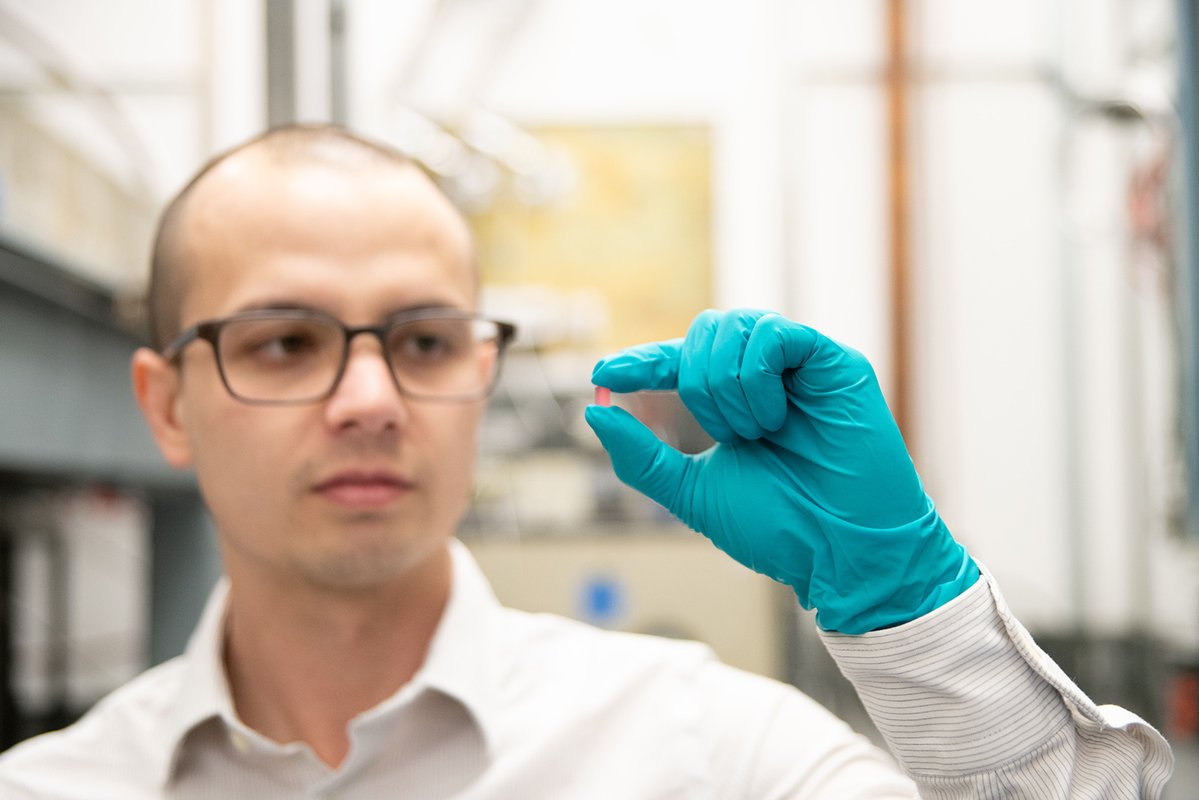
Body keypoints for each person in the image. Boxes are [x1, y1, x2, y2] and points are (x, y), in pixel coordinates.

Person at [0, 123, 1174, 798]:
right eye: (284, 341)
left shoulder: (718, 758)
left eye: (419, 339)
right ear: (164, 402)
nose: (367, 400)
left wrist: (920, 617)